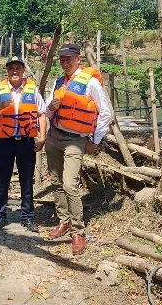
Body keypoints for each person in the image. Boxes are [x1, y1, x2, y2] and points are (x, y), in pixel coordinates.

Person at [44, 43, 111, 255]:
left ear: (78, 59)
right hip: (54, 136)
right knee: (55, 181)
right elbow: (46, 110)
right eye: (62, 60)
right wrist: (51, 107)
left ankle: (78, 231)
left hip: (76, 140)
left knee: (70, 184)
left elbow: (105, 113)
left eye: (68, 59)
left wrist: (95, 140)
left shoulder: (90, 83)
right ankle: (63, 221)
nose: (65, 63)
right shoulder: (58, 82)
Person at [0, 56, 47, 232]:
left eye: (18, 68)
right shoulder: (0, 91)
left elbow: (42, 113)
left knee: (26, 181)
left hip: (26, 142)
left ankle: (27, 217)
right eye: (11, 68)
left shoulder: (32, 89)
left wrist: (42, 137)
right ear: (7, 71)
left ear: (23, 71)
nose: (14, 71)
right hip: (5, 142)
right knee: (2, 181)